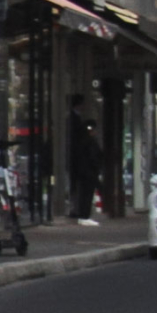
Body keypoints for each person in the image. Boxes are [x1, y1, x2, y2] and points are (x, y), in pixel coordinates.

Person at [66, 95, 103, 223]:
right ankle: (83, 215)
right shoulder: (87, 141)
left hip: (84, 169)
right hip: (87, 171)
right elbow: (93, 156)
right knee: (85, 193)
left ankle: (80, 213)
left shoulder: (85, 139)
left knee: (82, 191)